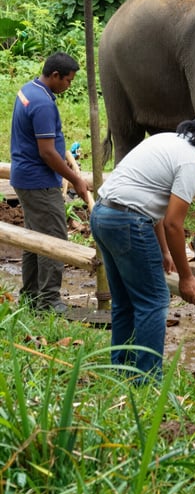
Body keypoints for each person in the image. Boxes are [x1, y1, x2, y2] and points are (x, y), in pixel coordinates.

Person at [90, 109, 195, 380]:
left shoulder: (165, 140)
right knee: (153, 301)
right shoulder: (191, 162)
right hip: (128, 222)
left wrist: (164, 250)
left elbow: (153, 200)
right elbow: (172, 224)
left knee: (124, 302)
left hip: (102, 215)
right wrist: (187, 277)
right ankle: (146, 379)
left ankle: (122, 369)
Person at [10, 51, 91, 313]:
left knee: (34, 240)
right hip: (39, 182)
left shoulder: (28, 90)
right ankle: (49, 301)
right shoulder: (43, 104)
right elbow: (46, 152)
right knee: (55, 240)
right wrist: (75, 178)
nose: (69, 86)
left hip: (25, 177)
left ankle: (32, 296)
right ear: (55, 75)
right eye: (67, 80)